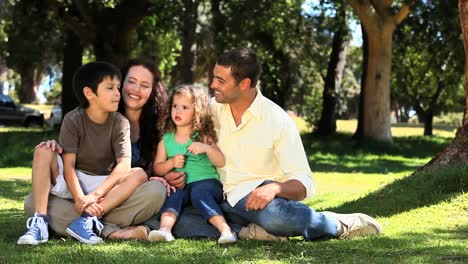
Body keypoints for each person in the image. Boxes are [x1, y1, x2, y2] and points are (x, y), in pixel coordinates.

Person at [164, 47, 382, 241]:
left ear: (244, 83)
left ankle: (334, 223)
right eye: (214, 78)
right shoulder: (211, 109)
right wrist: (169, 173)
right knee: (176, 220)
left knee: (277, 218)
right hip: (216, 195)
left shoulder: (277, 121)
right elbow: (178, 134)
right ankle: (249, 232)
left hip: (255, 199)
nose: (212, 85)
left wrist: (274, 188)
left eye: (221, 81)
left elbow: (304, 183)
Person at [20, 59, 168, 244]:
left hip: (105, 190)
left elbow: (124, 165)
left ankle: (87, 221)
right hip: (73, 182)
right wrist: (79, 197)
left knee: (146, 181)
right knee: (35, 187)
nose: (117, 93)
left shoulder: (120, 123)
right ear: (89, 93)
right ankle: (42, 223)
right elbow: (68, 165)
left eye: (117, 88)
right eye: (111, 88)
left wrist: (95, 197)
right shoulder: (73, 119)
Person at [148, 85, 237, 244]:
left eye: (185, 107)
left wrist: (207, 148)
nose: (178, 111)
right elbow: (157, 168)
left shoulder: (202, 136)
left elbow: (220, 160)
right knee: (174, 197)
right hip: (183, 186)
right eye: (174, 106)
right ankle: (165, 230)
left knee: (199, 193)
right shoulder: (166, 140)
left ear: (197, 111)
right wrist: (171, 163)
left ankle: (226, 231)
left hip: (207, 183)